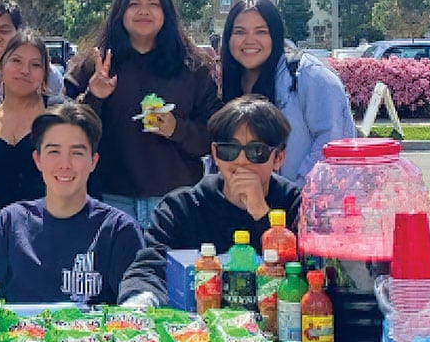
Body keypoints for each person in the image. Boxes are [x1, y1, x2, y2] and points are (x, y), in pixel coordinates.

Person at [65, 0, 222, 228]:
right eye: (134, 3)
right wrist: (94, 96)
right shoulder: (96, 63)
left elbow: (215, 135)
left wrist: (177, 129)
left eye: (153, 3)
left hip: (175, 200)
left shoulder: (193, 67)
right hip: (109, 199)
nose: (143, 11)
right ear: (120, 12)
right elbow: (65, 128)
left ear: (166, 13)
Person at [118, 95, 302, 309]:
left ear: (278, 157)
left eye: (256, 151)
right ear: (215, 153)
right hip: (198, 332)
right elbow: (151, 265)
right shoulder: (181, 207)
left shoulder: (296, 204)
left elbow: (303, 277)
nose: (240, 161)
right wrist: (139, 300)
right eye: (229, 149)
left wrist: (262, 214)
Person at [0, 103, 143, 305]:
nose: (65, 164)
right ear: (38, 160)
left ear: (93, 162)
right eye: (54, 152)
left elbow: (135, 304)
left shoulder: (119, 229)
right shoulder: (11, 220)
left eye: (77, 153)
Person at [220, 0, 355, 185]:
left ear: (275, 36)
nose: (249, 40)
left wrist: (296, 197)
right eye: (240, 32)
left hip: (306, 205)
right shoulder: (229, 82)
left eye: (261, 32)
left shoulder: (308, 75)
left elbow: (332, 143)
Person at [0, 31, 71, 218]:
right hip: (1, 231)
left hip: (57, 225)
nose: (25, 70)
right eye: (16, 61)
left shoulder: (61, 114)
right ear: (0, 67)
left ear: (45, 73)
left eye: (35, 65)